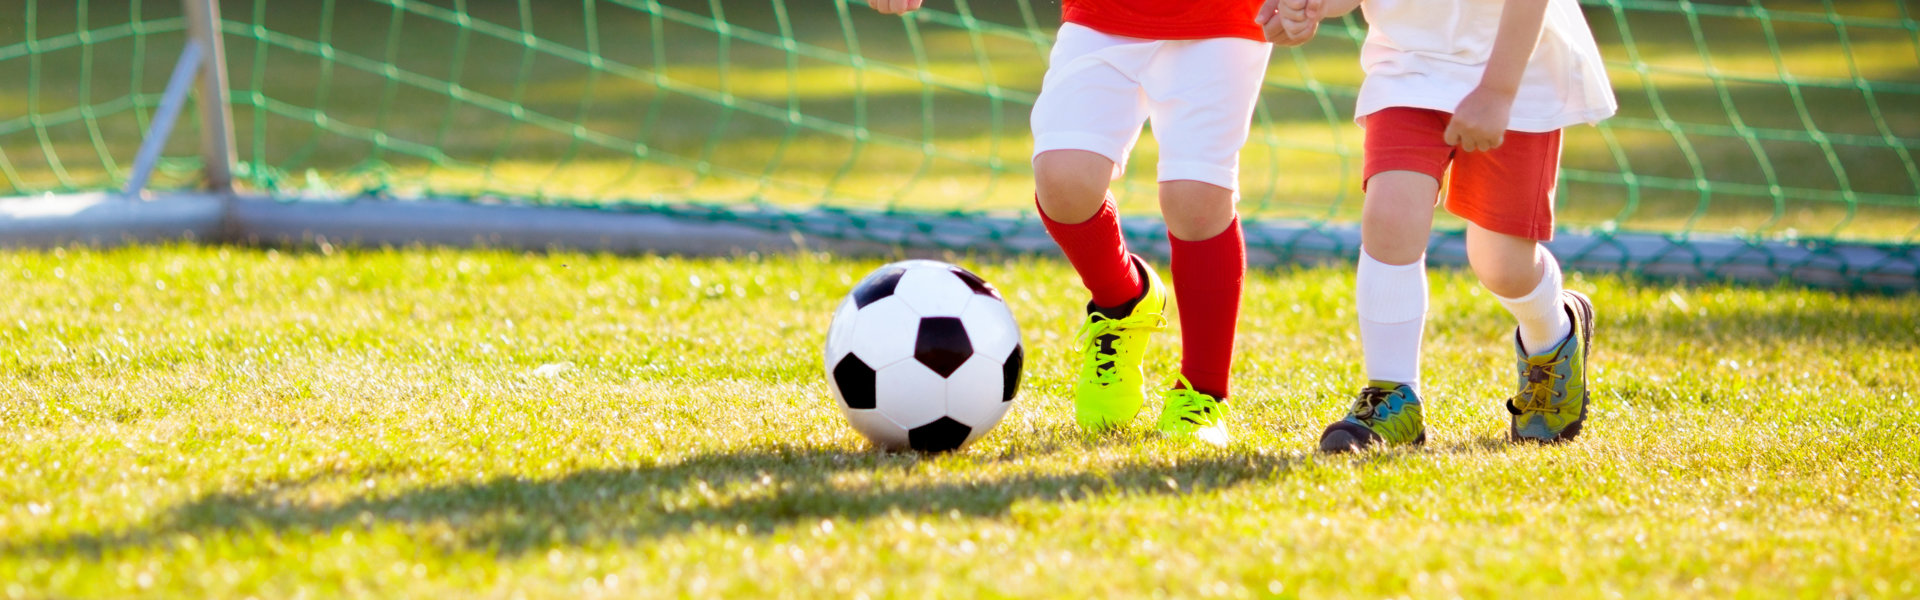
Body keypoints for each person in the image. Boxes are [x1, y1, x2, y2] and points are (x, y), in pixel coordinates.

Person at [868, 0, 1274, 445]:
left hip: (1223, 19)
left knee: (1195, 197)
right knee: (1063, 180)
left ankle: (1202, 392)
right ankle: (1123, 301)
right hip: (1103, 14)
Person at [1256, 0, 1616, 450]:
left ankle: (1553, 333)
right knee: (1390, 218)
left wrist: (1498, 92)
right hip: (1409, 64)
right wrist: (1311, 7)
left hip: (1514, 71)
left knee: (1500, 264)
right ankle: (1393, 393)